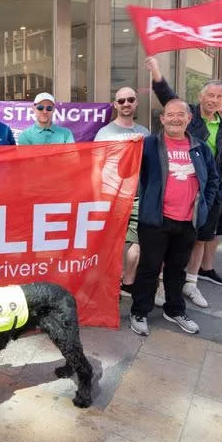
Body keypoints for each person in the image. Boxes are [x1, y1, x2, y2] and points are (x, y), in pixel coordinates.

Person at [146, 56, 222, 309]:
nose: (214, 100)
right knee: (170, 241)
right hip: (180, 188)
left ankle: (191, 282)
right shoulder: (187, 115)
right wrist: (156, 71)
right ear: (201, 96)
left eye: (220, 97)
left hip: (210, 192)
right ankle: (163, 283)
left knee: (201, 238)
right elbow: (167, 95)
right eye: (211, 95)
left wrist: (220, 193)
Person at [130, 99, 219, 337]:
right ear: (162, 119)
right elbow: (126, 168)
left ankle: (175, 309)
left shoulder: (200, 148)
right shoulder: (148, 145)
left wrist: (204, 207)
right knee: (149, 268)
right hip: (155, 220)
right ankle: (139, 311)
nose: (175, 119)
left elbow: (213, 180)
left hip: (187, 220)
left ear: (189, 119)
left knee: (177, 270)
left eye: (181, 114)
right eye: (170, 115)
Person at [94, 87, 150, 298]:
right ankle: (111, 284)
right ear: (115, 104)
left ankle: (128, 282)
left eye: (130, 100)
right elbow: (96, 164)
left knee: (137, 241)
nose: (126, 104)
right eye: (121, 100)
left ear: (136, 103)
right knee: (112, 243)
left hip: (138, 196)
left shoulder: (145, 132)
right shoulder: (104, 133)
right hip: (112, 196)